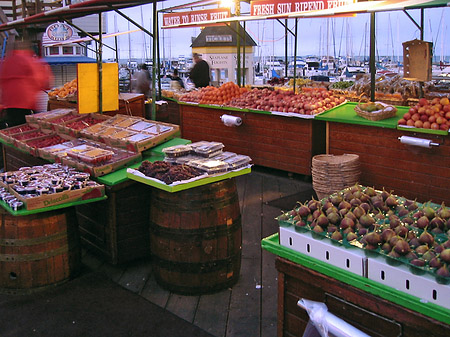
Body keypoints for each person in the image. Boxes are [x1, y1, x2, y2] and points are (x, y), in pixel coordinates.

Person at [0, 39, 53, 127]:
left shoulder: (7, 61)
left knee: (13, 128)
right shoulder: (28, 60)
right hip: (26, 103)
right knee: (28, 128)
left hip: (9, 104)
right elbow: (42, 80)